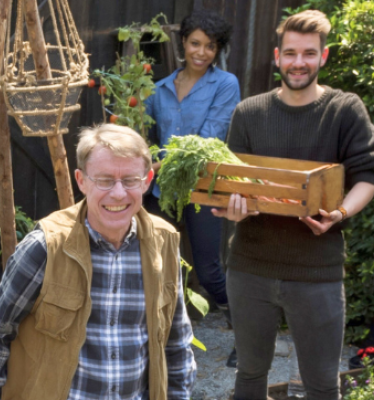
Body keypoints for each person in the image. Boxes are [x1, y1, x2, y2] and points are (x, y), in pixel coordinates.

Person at [215, 9, 374, 400]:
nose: (298, 63)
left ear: (322, 57)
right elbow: (236, 182)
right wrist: (235, 208)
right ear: (277, 56)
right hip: (251, 267)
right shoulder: (249, 113)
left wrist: (340, 213)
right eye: (291, 53)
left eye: (309, 53)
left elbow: (367, 176)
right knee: (249, 375)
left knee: (323, 384)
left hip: (317, 271)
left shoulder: (344, 110)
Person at [0, 124, 195, 400]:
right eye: (105, 180)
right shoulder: (46, 247)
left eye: (130, 180)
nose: (119, 193)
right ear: (81, 180)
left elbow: (176, 345)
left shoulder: (164, 243)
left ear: (147, 180)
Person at [143, 8, 240, 363]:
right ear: (183, 42)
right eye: (195, 43)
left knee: (207, 266)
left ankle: (244, 333)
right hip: (161, 191)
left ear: (217, 50)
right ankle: (165, 334)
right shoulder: (158, 89)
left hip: (203, 188)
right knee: (157, 262)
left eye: (210, 46)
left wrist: (156, 163)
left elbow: (207, 138)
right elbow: (148, 136)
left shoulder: (226, 85)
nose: (201, 52)